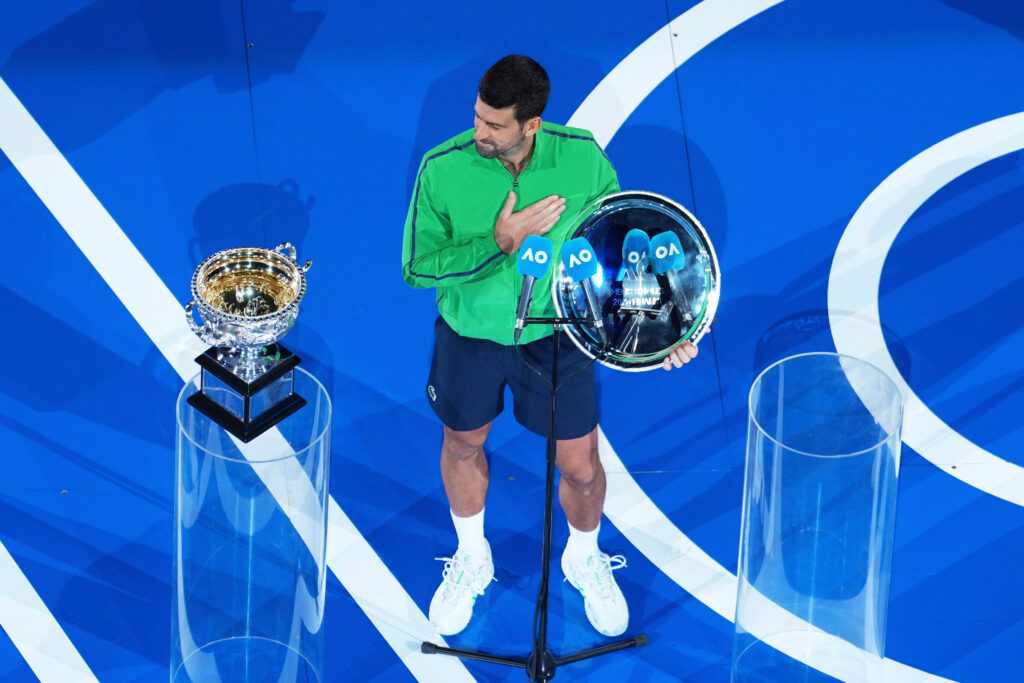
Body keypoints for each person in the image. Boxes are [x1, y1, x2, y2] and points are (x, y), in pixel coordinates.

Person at [402, 55, 698, 638]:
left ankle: (583, 557)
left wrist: (661, 332)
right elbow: (417, 266)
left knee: (581, 469)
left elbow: (621, 250)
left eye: (494, 124)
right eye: (477, 117)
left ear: (531, 123)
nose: (479, 132)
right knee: (463, 445)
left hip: (558, 335)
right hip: (470, 336)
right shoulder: (442, 168)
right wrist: (499, 242)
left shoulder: (582, 158)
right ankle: (471, 556)